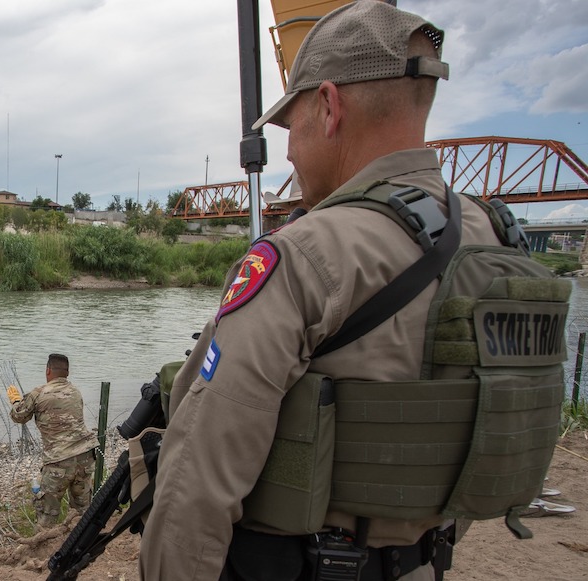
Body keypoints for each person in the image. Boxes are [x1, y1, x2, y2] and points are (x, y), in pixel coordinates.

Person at [140, 1, 485, 579]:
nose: (292, 153)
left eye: (291, 125)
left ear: (328, 106)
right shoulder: (494, 237)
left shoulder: (304, 255)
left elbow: (197, 482)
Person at [7, 353, 98, 528]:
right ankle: (82, 543)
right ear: (68, 372)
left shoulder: (39, 393)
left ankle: (43, 549)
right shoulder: (75, 391)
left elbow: (19, 416)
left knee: (47, 514)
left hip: (58, 461)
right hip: (85, 457)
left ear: (48, 370)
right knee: (83, 510)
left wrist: (16, 400)